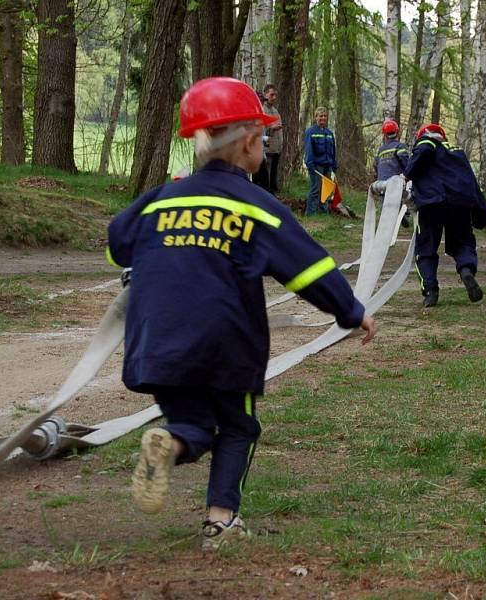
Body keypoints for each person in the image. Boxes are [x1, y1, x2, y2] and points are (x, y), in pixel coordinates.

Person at [106, 77, 377, 551]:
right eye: (263, 137)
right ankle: (220, 522)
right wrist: (351, 311)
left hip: (158, 342)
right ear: (250, 142)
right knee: (237, 426)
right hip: (226, 345)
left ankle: (170, 445)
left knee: (189, 421)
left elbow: (117, 245)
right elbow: (309, 268)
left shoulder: (159, 200)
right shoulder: (258, 207)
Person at [403, 123, 486, 308]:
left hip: (431, 203)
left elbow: (424, 150)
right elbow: (473, 185)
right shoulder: (458, 152)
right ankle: (466, 270)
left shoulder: (427, 142)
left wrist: (407, 175)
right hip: (459, 203)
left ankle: (431, 292)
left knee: (426, 248)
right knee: (463, 243)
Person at [373, 119, 411, 227]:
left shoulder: (381, 149)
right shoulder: (400, 146)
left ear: (384, 134)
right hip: (396, 182)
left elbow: (375, 165)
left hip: (381, 183)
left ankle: (387, 221)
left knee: (386, 203)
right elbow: (406, 162)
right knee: (404, 197)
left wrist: (378, 176)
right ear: (397, 132)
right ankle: (403, 214)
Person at [303, 107, 338, 216]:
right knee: (316, 189)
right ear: (316, 117)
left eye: (324, 116)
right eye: (320, 116)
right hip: (316, 166)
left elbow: (333, 150)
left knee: (326, 189)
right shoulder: (311, 132)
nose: (323, 118)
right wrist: (309, 164)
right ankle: (310, 213)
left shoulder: (329, 133)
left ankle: (324, 211)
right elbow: (308, 149)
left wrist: (334, 164)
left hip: (328, 165)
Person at [262, 84, 283, 195]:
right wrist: (271, 128)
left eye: (275, 95)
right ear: (265, 94)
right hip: (267, 150)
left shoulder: (275, 111)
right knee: (266, 179)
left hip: (276, 150)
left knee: (273, 180)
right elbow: (259, 130)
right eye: (272, 95)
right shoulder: (262, 110)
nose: (274, 97)